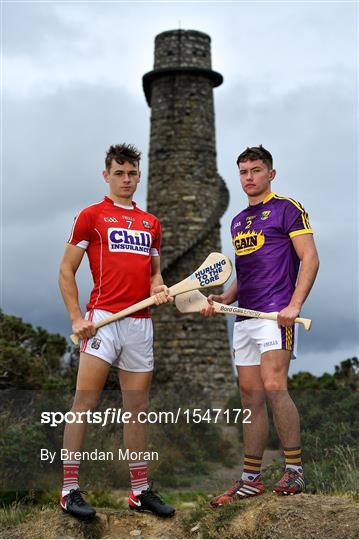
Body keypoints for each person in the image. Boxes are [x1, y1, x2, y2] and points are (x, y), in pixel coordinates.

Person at [58, 143, 175, 519]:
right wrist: (77, 318)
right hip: (103, 320)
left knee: (137, 409)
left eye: (132, 174)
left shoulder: (150, 223)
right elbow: (65, 271)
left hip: (140, 325)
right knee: (84, 405)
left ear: (139, 176)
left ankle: (140, 491)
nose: (126, 180)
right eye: (119, 173)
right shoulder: (91, 217)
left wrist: (158, 287)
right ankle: (69, 489)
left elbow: (155, 273)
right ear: (106, 175)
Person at [202, 145, 319, 506]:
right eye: (243, 171)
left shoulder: (288, 208)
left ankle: (294, 470)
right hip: (246, 317)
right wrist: (226, 299)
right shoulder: (238, 220)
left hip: (275, 314)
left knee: (273, 386)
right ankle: (251, 479)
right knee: (250, 396)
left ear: (271, 173)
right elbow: (246, 271)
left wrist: (294, 304)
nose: (249, 177)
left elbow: (310, 258)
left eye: (255, 170)